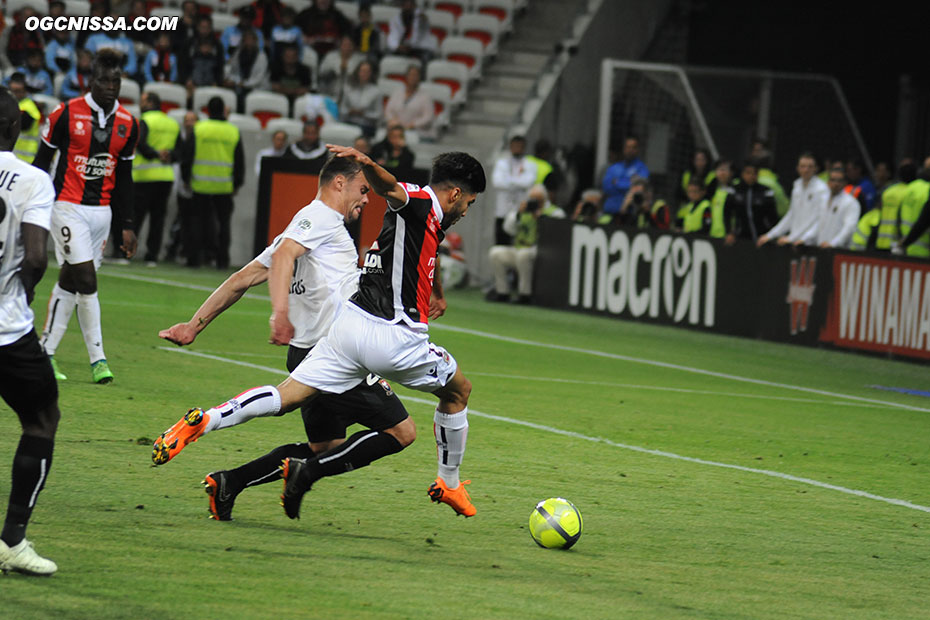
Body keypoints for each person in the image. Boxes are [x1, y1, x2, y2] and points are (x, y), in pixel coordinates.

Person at [153, 146, 487, 519]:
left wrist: (194, 325)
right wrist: (279, 313)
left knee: (306, 422)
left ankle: (212, 432)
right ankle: (448, 482)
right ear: (339, 182)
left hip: (338, 337)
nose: (365, 199)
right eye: (361, 190)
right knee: (425, 415)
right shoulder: (324, 220)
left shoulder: (315, 225)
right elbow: (391, 191)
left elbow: (242, 278)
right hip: (379, 337)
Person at [35, 49, 139, 384]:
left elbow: (124, 177)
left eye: (116, 80)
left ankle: (44, 352)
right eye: (103, 80)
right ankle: (99, 359)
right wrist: (33, 206)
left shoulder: (128, 123)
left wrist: (127, 224)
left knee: (70, 280)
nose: (110, 86)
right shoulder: (65, 113)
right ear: (89, 80)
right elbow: (41, 163)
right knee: (87, 280)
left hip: (102, 215)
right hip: (67, 207)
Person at [0, 85, 60, 577]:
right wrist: (24, 289)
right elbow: (36, 256)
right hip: (7, 329)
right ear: (15, 129)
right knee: (41, 419)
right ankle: (12, 540)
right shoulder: (31, 180)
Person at [181, 96, 244, 269]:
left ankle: (194, 259)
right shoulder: (233, 131)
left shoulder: (199, 129)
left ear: (207, 110)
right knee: (223, 225)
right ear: (224, 109)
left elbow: (188, 155)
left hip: (200, 184)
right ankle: (222, 260)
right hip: (224, 186)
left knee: (197, 222)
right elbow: (239, 160)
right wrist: (237, 183)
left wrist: (186, 178)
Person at [487, 184, 565, 303]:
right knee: (495, 253)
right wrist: (519, 214)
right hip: (520, 248)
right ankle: (502, 292)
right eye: (532, 199)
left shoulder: (554, 212)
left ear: (544, 199)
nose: (534, 203)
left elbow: (557, 234)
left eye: (538, 200)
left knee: (523, 255)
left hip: (541, 251)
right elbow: (508, 229)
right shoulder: (523, 210)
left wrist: (541, 218)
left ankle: (525, 294)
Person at [133, 92, 180, 266]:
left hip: (144, 176)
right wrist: (169, 155)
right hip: (165, 177)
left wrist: (155, 154)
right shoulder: (172, 123)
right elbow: (180, 151)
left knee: (136, 217)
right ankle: (152, 256)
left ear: (150, 103)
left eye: (142, 101)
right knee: (157, 219)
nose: (140, 103)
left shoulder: (144, 120)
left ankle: (127, 253)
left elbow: (140, 144)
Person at [756, 152, 829, 247]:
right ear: (797, 168)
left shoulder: (822, 189)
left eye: (810, 167)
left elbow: (820, 220)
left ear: (816, 169)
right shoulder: (797, 186)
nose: (806, 170)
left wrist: (803, 238)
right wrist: (770, 235)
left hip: (810, 243)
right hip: (793, 241)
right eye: (803, 166)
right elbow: (791, 215)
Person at [491, 135, 537, 245]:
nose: (517, 149)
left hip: (521, 210)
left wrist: (509, 180)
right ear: (510, 147)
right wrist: (518, 181)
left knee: (519, 241)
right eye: (515, 146)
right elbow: (497, 182)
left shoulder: (530, 164)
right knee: (502, 242)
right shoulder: (502, 163)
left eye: (520, 146)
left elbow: (528, 182)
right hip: (503, 211)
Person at [729, 160, 778, 243]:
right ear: (742, 174)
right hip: (740, 237)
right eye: (748, 173)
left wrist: (771, 235)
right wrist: (730, 232)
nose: (751, 176)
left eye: (754, 173)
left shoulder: (766, 191)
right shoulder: (735, 190)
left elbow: (772, 216)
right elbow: (728, 213)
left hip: (762, 237)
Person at [384, 64, 435, 140]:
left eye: (415, 75)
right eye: (411, 75)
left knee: (408, 138)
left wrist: (413, 125)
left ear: (419, 78)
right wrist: (394, 122)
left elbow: (428, 117)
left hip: (417, 132)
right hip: (397, 128)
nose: (413, 77)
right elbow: (388, 111)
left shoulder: (425, 96)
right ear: (406, 76)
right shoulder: (397, 93)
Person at [602, 136, 649, 216]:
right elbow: (606, 187)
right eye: (628, 147)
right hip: (610, 210)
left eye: (633, 147)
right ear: (624, 149)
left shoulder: (642, 168)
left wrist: (617, 183)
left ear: (637, 150)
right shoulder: (614, 167)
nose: (630, 150)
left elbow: (638, 188)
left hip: (630, 213)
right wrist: (629, 183)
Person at [875, 159, 916, 251]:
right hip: (897, 243)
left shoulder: (888, 191)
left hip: (881, 240)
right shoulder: (910, 193)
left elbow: (878, 213)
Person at [224, 28, 271, 108]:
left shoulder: (262, 56)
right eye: (246, 40)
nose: (248, 42)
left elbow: (258, 78)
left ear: (255, 41)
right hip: (239, 87)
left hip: (257, 88)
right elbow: (233, 71)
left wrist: (244, 84)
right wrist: (236, 81)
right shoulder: (238, 53)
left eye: (251, 40)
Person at [893, 159, 930, 258]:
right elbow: (924, 220)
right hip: (923, 249)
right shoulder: (926, 190)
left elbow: (899, 217)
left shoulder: (910, 188)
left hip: (908, 247)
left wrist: (903, 243)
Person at [815, 167, 860, 249]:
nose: (836, 184)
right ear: (828, 182)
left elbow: (849, 228)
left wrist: (833, 244)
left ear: (845, 183)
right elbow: (817, 224)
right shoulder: (823, 199)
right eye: (833, 180)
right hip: (820, 247)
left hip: (839, 251)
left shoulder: (851, 203)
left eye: (839, 181)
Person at [339, 60, 381, 138]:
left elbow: (378, 114)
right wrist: (349, 111)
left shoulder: (376, 91)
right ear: (357, 72)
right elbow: (342, 109)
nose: (364, 74)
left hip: (366, 125)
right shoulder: (348, 88)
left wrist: (364, 114)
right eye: (362, 71)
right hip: (349, 121)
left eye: (367, 71)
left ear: (371, 73)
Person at [7, 73, 41, 164]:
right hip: (12, 156)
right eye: (12, 90)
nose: (14, 94)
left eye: (17, 91)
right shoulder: (11, 104)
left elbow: (24, 125)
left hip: (25, 158)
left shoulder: (28, 107)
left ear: (24, 91)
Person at [318, 35, 364, 100]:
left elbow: (363, 77)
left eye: (349, 45)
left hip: (352, 92)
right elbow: (322, 73)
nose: (347, 47)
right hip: (331, 90)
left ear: (353, 47)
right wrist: (333, 73)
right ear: (340, 46)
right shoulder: (330, 56)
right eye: (344, 45)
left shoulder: (360, 59)